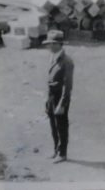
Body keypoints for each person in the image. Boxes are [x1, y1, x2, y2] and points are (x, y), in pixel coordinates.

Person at [43, 30, 74, 162]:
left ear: (58, 44)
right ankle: (56, 150)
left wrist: (62, 104)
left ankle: (62, 153)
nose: (48, 46)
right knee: (53, 125)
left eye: (50, 43)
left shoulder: (67, 61)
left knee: (61, 125)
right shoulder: (53, 57)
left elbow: (68, 86)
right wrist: (47, 101)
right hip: (51, 96)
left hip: (60, 96)